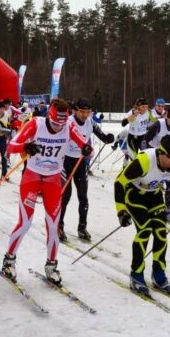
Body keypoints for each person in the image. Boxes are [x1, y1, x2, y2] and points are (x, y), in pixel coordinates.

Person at [0, 99, 92, 284]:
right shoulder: (36, 124)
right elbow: (10, 146)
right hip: (32, 178)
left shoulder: (68, 126)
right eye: (56, 123)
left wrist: (86, 148)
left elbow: (84, 145)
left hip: (53, 180)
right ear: (49, 116)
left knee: (53, 225)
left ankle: (51, 265)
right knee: (25, 223)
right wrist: (26, 147)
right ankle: (9, 260)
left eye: (62, 123)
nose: (59, 127)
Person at [114, 135, 170, 295]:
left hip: (154, 195)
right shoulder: (144, 160)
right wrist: (121, 211)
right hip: (134, 195)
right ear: (160, 153)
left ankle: (158, 273)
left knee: (161, 233)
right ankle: (136, 274)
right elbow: (119, 182)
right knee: (144, 230)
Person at [59, 98, 115, 241]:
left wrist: (107, 138)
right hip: (66, 161)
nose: (85, 115)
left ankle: (82, 227)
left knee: (83, 197)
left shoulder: (90, 121)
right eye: (82, 112)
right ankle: (59, 226)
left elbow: (100, 134)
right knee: (65, 196)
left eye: (88, 112)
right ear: (75, 111)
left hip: (80, 162)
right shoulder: (69, 122)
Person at [143, 106, 170, 221]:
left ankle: (168, 212)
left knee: (169, 184)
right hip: (154, 155)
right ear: (167, 117)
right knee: (152, 184)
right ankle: (147, 208)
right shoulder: (159, 124)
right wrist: (145, 156)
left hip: (168, 158)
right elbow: (145, 140)